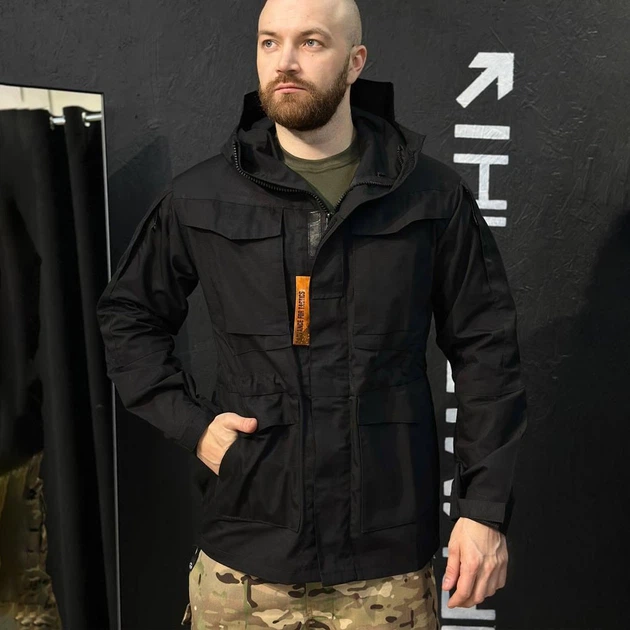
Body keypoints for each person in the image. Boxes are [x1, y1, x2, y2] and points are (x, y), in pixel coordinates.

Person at [96, 0, 527, 627]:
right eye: (269, 42)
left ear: (355, 61)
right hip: (245, 557)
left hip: (385, 563)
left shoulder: (430, 197)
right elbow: (128, 317)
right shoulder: (201, 196)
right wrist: (195, 427)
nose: (286, 62)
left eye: (311, 42)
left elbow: (488, 351)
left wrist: (482, 509)